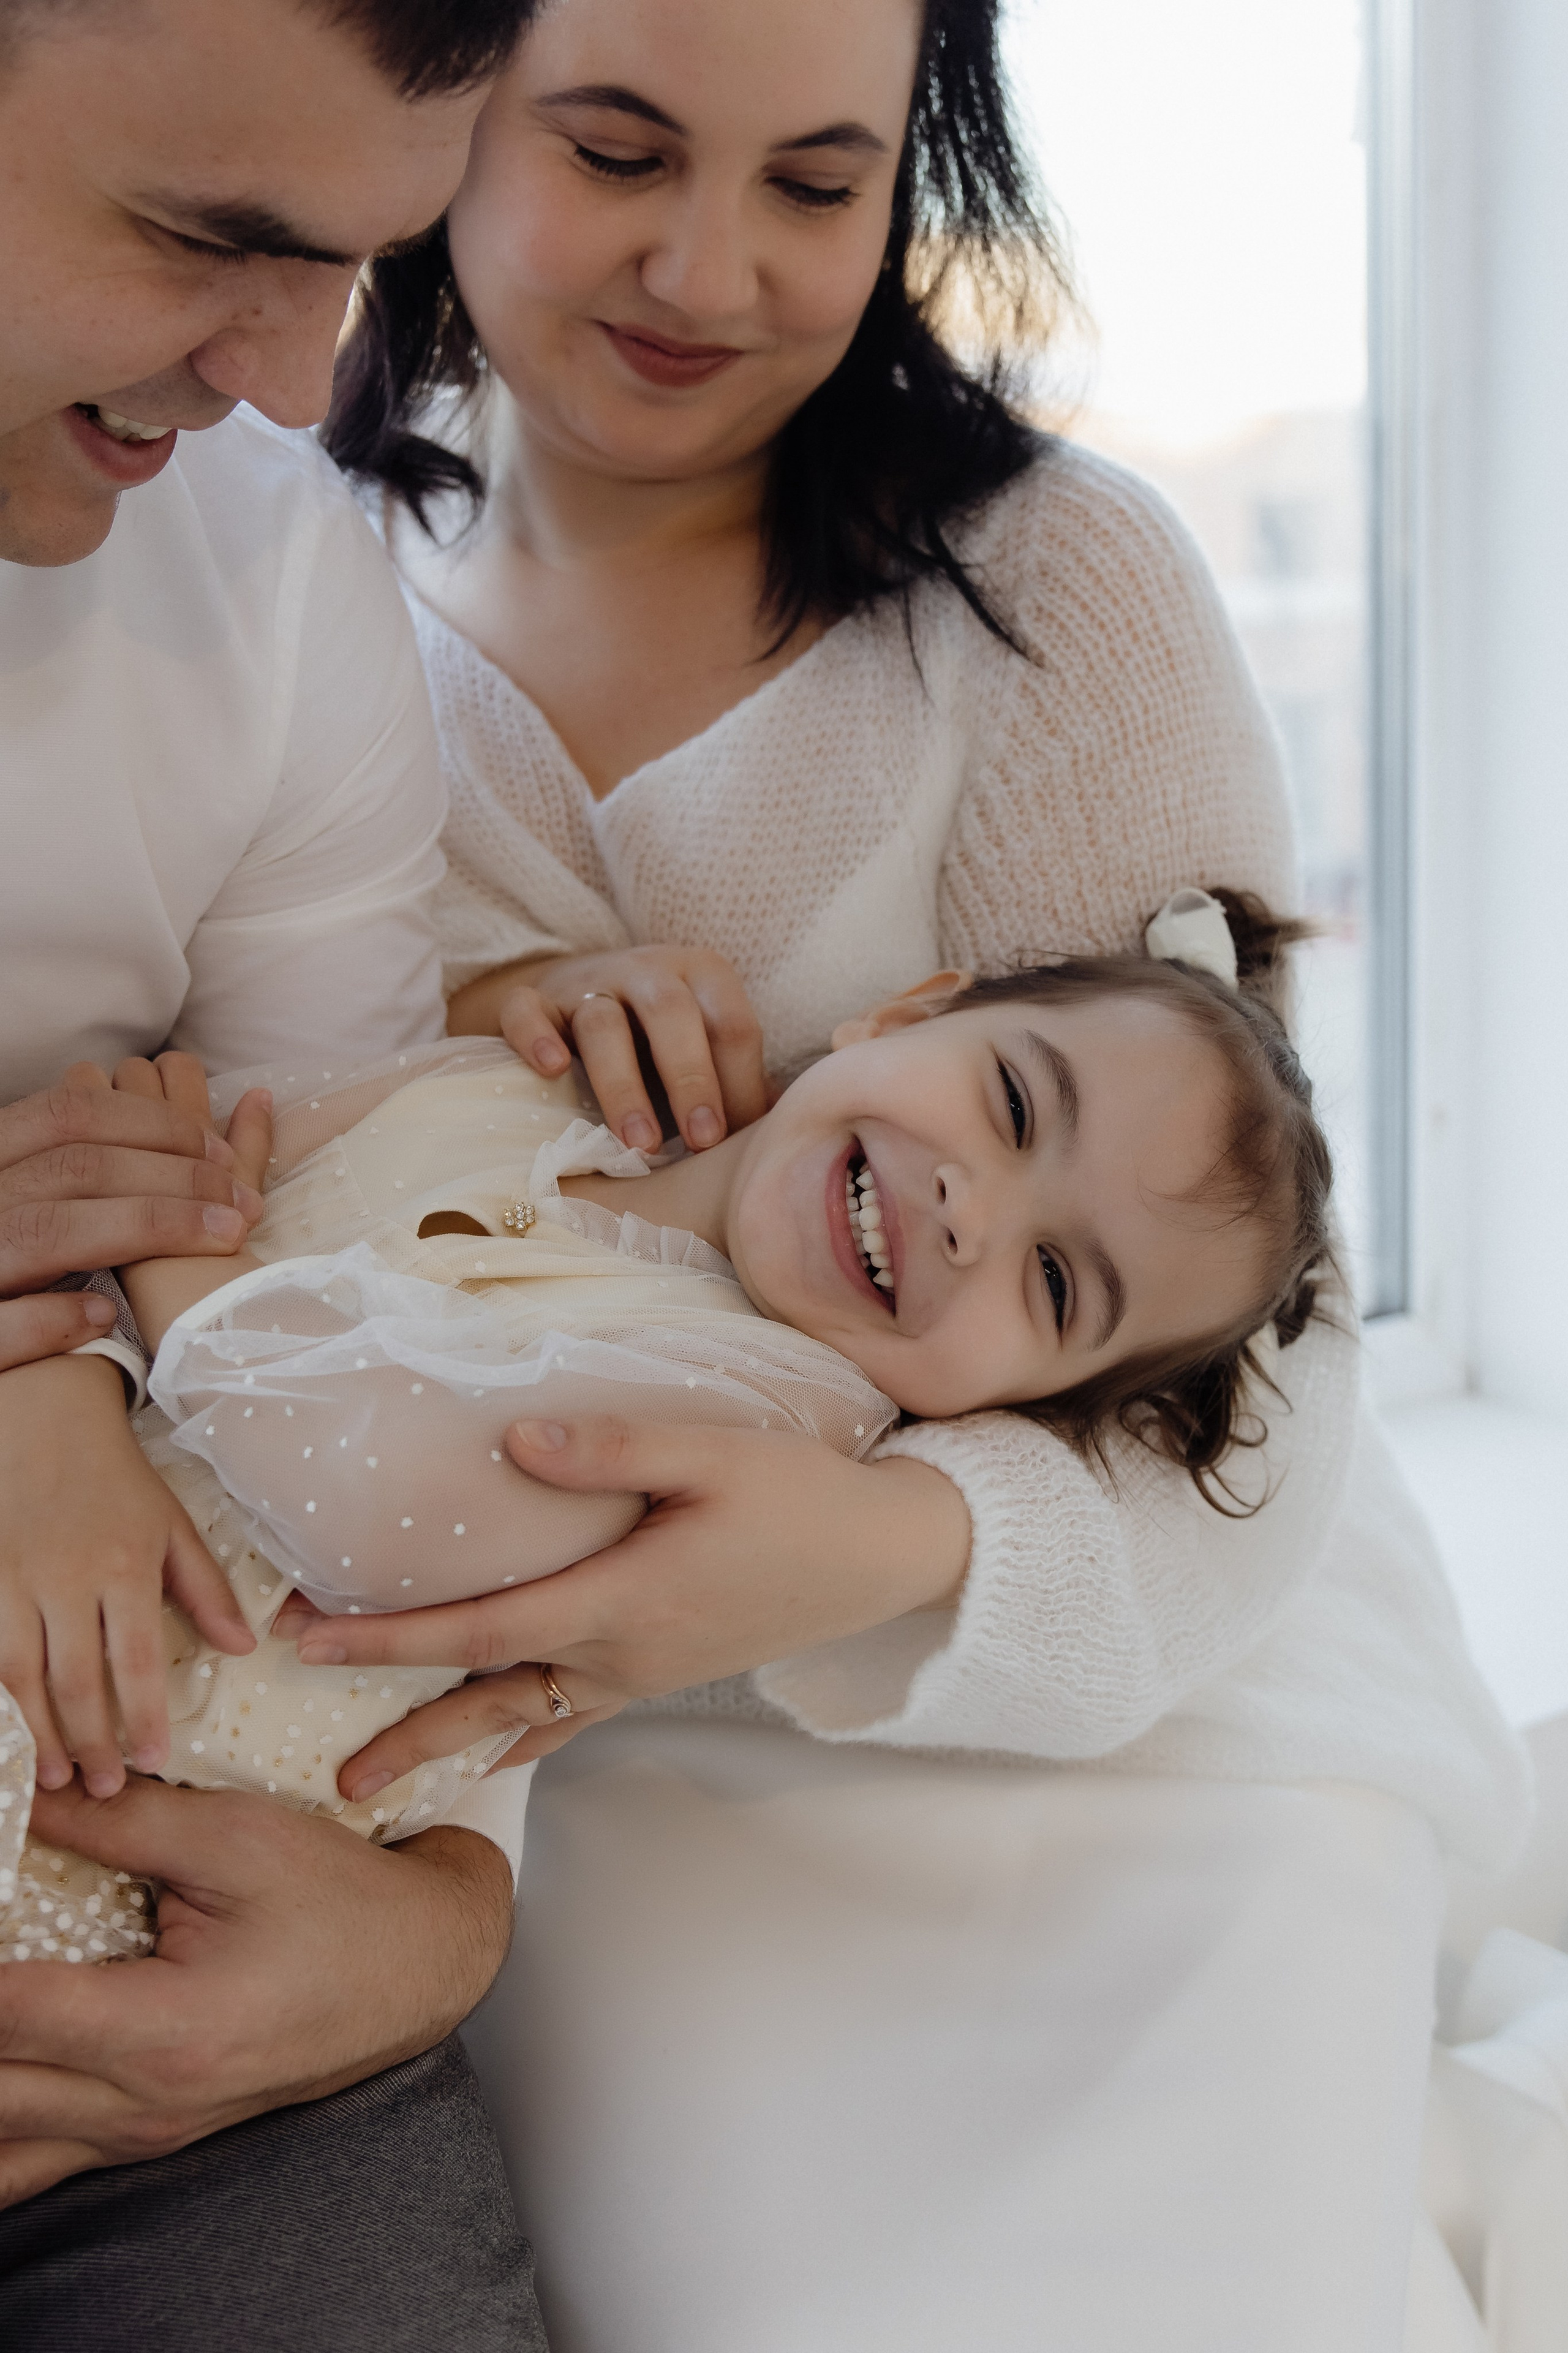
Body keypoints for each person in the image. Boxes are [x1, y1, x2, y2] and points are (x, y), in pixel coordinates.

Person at [313, 0, 1525, 2336]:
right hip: (590, 1750)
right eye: (619, 151)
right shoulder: (278, 580)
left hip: (1143, 1666)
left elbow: (1260, 1350)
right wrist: (471, 1016)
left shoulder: (1063, 589)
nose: (709, 271)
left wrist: (873, 1549)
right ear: (449, 94)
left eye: (816, 184)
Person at [0, 883, 1340, 1957]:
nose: (970, 1213)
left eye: (1052, 1282)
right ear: (904, 1013)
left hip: (87, 1811)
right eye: (1012, 1104)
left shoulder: (771, 1417)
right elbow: (162, 1142)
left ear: (1013, 1408)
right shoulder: (524, 1086)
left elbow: (368, 1491)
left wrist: (168, 1252)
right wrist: (114, 1310)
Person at [0, 4, 551, 2346]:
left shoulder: (273, 574)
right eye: (207, 239)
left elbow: (351, 1301)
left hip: (156, 1932)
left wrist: (433, 1921)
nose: (292, 374)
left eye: (353, 263)